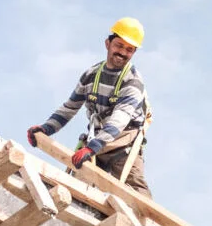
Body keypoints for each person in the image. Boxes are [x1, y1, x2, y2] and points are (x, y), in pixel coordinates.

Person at [29, 17, 152, 194]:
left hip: (124, 144)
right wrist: (45, 129)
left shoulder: (133, 81)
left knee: (135, 196)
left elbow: (120, 119)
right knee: (79, 190)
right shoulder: (91, 75)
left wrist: (92, 147)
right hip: (97, 141)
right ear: (107, 43)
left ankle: (143, 222)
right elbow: (70, 107)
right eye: (119, 45)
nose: (123, 52)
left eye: (129, 49)